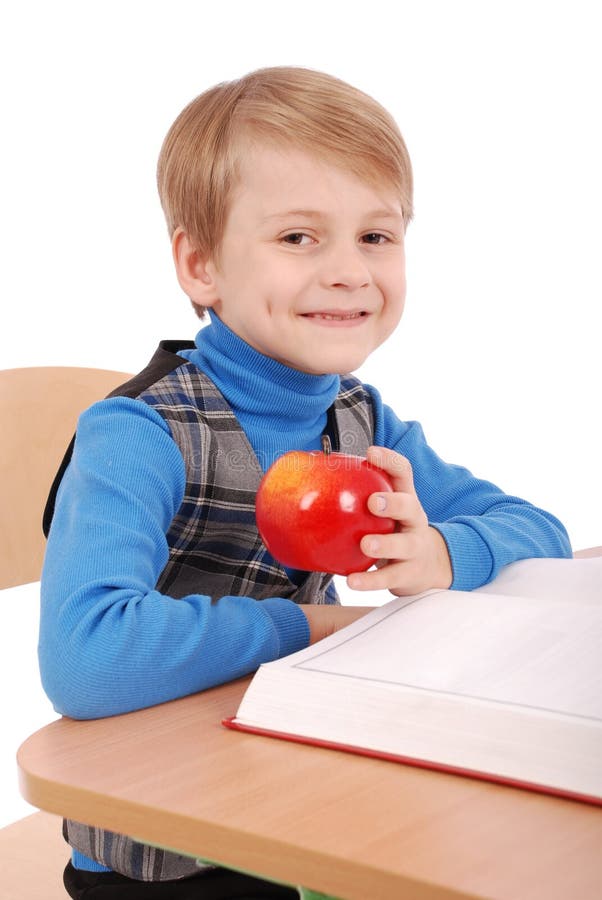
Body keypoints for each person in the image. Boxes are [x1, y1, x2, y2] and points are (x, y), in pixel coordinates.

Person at [39, 66, 571, 898]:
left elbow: (535, 527)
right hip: (164, 854)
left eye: (377, 236)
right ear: (200, 264)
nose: (352, 272)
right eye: (299, 238)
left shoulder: (362, 419)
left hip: (297, 802)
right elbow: (89, 658)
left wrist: (440, 551)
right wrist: (319, 627)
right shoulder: (137, 434)